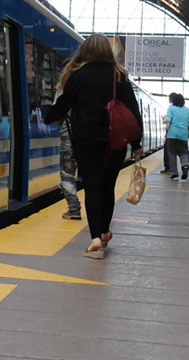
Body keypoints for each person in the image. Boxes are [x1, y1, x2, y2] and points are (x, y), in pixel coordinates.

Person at [45, 34, 143, 258]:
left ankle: (95, 238)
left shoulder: (78, 75)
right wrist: (137, 143)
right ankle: (105, 231)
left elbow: (62, 105)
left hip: (86, 141)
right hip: (115, 142)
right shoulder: (119, 76)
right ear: (108, 53)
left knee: (92, 187)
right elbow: (133, 112)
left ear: (85, 51)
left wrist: (47, 116)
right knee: (107, 186)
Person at [165, 93, 189, 181]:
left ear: (173, 101)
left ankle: (174, 174)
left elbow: (168, 120)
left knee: (171, 153)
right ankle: (185, 165)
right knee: (183, 152)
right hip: (183, 135)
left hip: (172, 134)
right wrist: (187, 125)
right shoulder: (187, 110)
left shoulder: (171, 108)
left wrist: (165, 122)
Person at [58, 119, 83, 220]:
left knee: (67, 175)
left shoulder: (67, 102)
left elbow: (51, 116)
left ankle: (74, 209)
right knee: (93, 176)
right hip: (89, 140)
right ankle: (100, 209)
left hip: (69, 140)